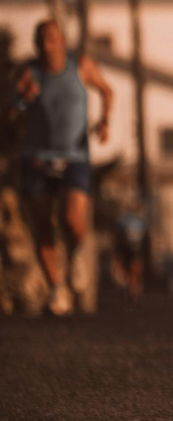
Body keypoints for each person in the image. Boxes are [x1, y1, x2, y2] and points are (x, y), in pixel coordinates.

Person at [12, 20, 113, 316]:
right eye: (42, 39)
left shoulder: (80, 66)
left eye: (53, 38)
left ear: (62, 41)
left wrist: (105, 121)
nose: (48, 44)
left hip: (74, 157)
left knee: (71, 218)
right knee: (43, 225)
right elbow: (11, 109)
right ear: (36, 43)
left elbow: (107, 91)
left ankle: (77, 253)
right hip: (37, 157)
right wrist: (22, 100)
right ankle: (57, 288)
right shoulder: (29, 72)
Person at [111, 195, 149, 307]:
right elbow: (119, 236)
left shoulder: (141, 220)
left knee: (135, 271)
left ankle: (134, 292)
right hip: (128, 250)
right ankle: (131, 291)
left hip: (136, 250)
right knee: (130, 272)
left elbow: (146, 238)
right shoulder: (125, 220)